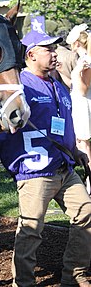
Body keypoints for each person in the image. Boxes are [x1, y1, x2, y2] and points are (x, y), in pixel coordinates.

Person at [0, 29, 91, 287]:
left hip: (64, 167)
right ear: (31, 54)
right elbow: (2, 124)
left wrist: (76, 150)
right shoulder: (20, 85)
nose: (54, 53)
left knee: (87, 214)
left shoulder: (57, 82)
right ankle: (23, 283)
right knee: (30, 231)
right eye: (48, 49)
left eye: (54, 48)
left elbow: (61, 124)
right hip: (35, 172)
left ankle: (75, 275)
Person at [66, 23, 91, 194]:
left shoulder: (85, 60)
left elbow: (83, 89)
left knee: (84, 144)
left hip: (83, 103)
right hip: (79, 101)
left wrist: (75, 74)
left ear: (76, 44)